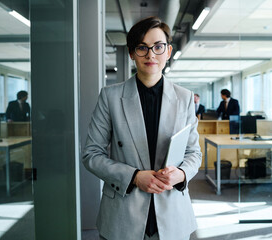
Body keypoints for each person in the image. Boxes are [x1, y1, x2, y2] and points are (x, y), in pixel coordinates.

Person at [82, 17, 201, 240]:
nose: (150, 55)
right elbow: (91, 154)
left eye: (158, 47)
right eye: (142, 47)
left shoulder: (184, 98)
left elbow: (194, 153)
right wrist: (134, 177)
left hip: (172, 212)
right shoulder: (110, 97)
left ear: (168, 51)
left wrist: (182, 173)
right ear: (131, 53)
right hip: (123, 214)